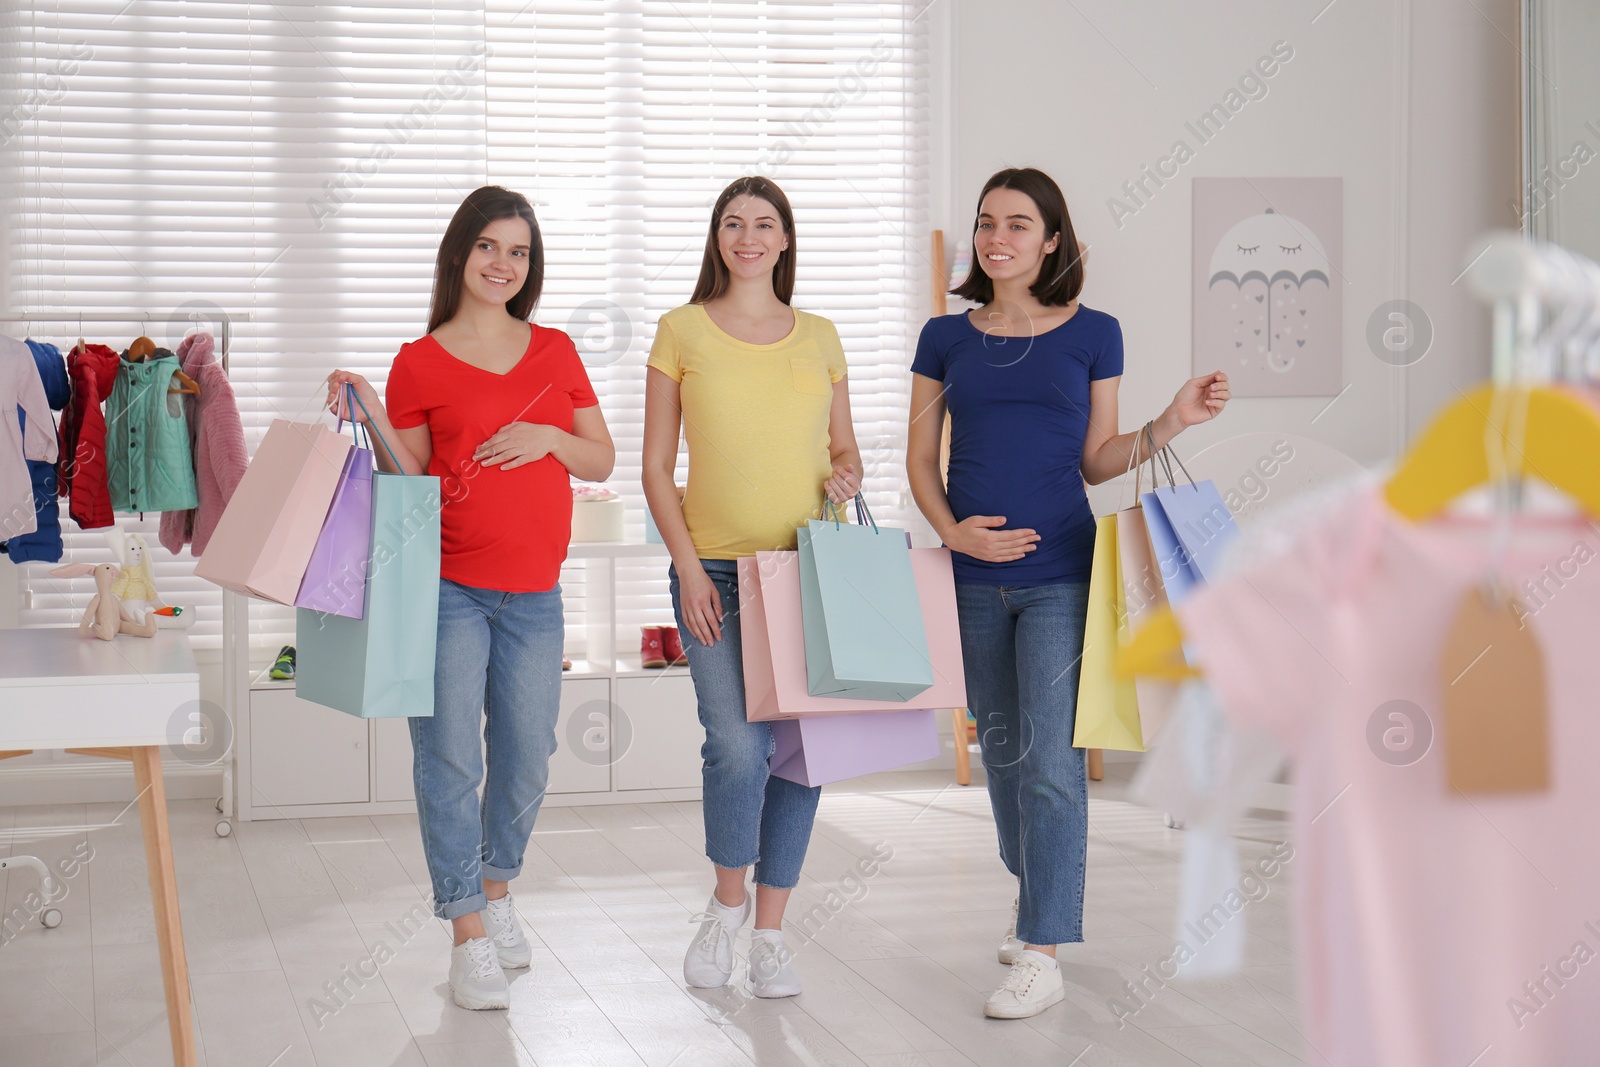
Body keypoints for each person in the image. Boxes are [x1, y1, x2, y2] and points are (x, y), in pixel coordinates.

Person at [905, 167, 1229, 1020]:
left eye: (1018, 223)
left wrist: (1173, 420)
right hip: (972, 577)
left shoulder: (1095, 333)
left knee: (1051, 761)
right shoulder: (945, 336)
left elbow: (1096, 460)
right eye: (986, 222)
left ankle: (1043, 948)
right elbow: (919, 462)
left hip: (1061, 576)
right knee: (1006, 762)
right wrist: (956, 533)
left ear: (1053, 241)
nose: (997, 236)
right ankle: (1033, 899)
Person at [327, 185, 615, 1011]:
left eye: (519, 251)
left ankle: (496, 889)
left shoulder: (555, 349)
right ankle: (466, 933)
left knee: (526, 757)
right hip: (450, 590)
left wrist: (551, 436)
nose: (503, 264)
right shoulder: (419, 360)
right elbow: (409, 480)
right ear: (460, 253)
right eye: (489, 246)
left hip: (534, 593)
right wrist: (376, 412)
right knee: (450, 760)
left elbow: (599, 459)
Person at [642, 175, 862, 998]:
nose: (748, 237)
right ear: (717, 238)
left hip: (805, 572)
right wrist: (690, 567)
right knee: (737, 745)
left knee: (799, 757)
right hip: (718, 577)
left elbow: (847, 453)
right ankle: (725, 908)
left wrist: (846, 477)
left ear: (784, 239)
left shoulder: (821, 336)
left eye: (763, 224)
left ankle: (770, 933)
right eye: (733, 224)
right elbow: (656, 469)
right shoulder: (681, 331)